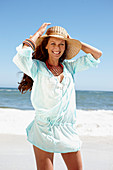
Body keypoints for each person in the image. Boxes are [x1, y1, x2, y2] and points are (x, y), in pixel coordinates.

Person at [13, 23, 102, 170]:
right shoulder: (37, 68)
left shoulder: (70, 68)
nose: (57, 47)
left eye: (61, 44)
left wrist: (74, 41)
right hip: (43, 129)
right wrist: (38, 34)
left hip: (68, 130)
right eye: (53, 43)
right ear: (46, 46)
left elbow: (97, 55)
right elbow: (22, 57)